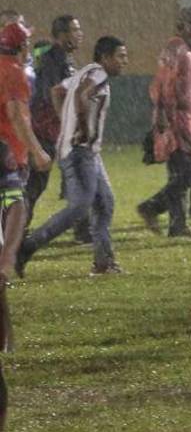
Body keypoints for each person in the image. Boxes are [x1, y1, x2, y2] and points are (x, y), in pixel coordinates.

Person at [17, 37, 128, 277]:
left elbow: (57, 91)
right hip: (80, 151)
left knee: (104, 202)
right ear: (105, 57)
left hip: (86, 151)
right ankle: (26, 247)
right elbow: (82, 95)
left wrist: (67, 121)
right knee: (79, 208)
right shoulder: (98, 74)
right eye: (120, 56)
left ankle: (104, 262)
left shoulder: (85, 71)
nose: (124, 61)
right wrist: (82, 128)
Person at [138, 7, 191, 238]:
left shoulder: (183, 50)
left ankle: (178, 225)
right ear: (186, 25)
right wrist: (162, 114)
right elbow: (162, 83)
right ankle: (151, 206)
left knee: (179, 171)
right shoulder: (178, 49)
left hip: (184, 117)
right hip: (177, 120)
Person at [0, 22, 52, 282]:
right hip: (8, 151)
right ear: (21, 46)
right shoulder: (13, 72)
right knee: (16, 204)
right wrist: (37, 151)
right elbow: (16, 116)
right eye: (27, 42)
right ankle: (5, 264)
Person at [27, 15, 82, 224]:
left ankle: (84, 227)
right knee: (35, 183)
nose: (79, 34)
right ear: (62, 35)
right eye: (75, 30)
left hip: (54, 130)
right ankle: (14, 227)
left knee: (80, 177)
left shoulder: (65, 59)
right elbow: (53, 94)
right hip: (46, 130)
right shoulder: (53, 59)